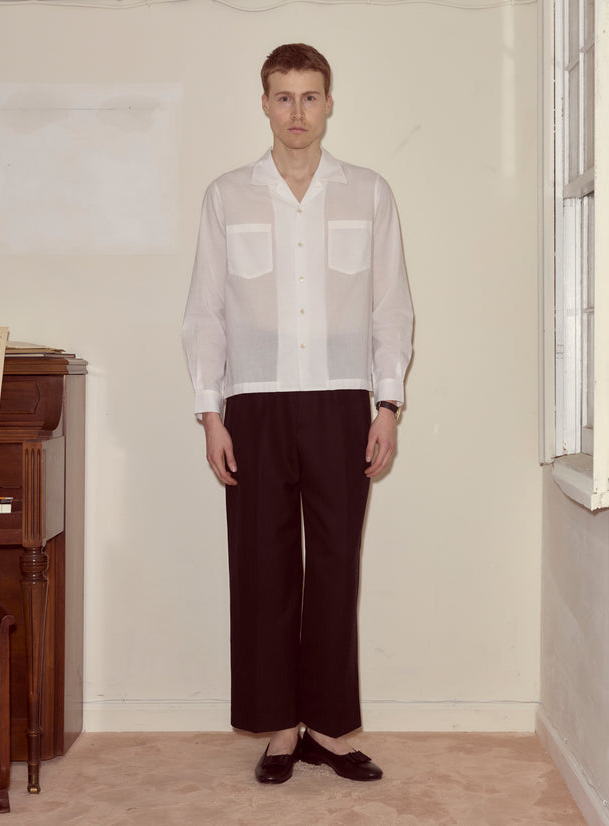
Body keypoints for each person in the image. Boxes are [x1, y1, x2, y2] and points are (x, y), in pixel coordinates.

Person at [182, 43, 413, 784]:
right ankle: (282, 728)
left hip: (343, 400)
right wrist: (210, 413)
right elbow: (205, 313)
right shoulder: (227, 196)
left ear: (330, 102)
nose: (297, 114)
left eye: (310, 97)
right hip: (253, 403)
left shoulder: (369, 192)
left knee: (337, 565)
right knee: (262, 569)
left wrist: (387, 403)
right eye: (283, 97)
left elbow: (391, 306)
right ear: (263, 104)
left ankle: (331, 730)